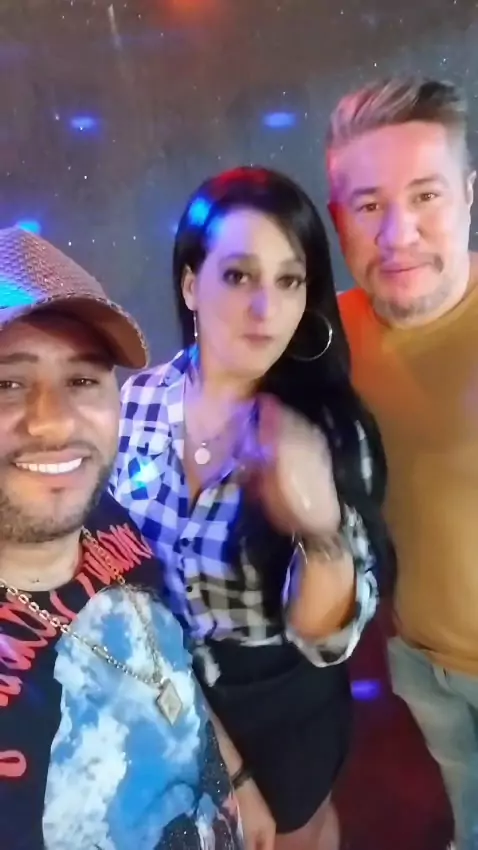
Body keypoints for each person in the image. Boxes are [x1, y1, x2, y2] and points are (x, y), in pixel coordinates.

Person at [111, 166, 392, 850]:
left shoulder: (329, 432)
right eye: (238, 276)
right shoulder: (135, 403)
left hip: (277, 709)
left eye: (290, 281)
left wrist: (317, 528)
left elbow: (328, 642)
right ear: (190, 284)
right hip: (158, 696)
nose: (266, 308)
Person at [0, 227, 243, 850]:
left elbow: (166, 669)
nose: (53, 422)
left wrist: (235, 780)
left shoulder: (99, 508)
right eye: (7, 384)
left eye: (83, 380)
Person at [328, 78, 478, 849]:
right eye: (369, 205)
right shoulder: (324, 335)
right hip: (420, 662)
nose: (398, 234)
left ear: (469, 196)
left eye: (426, 196)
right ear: (337, 221)